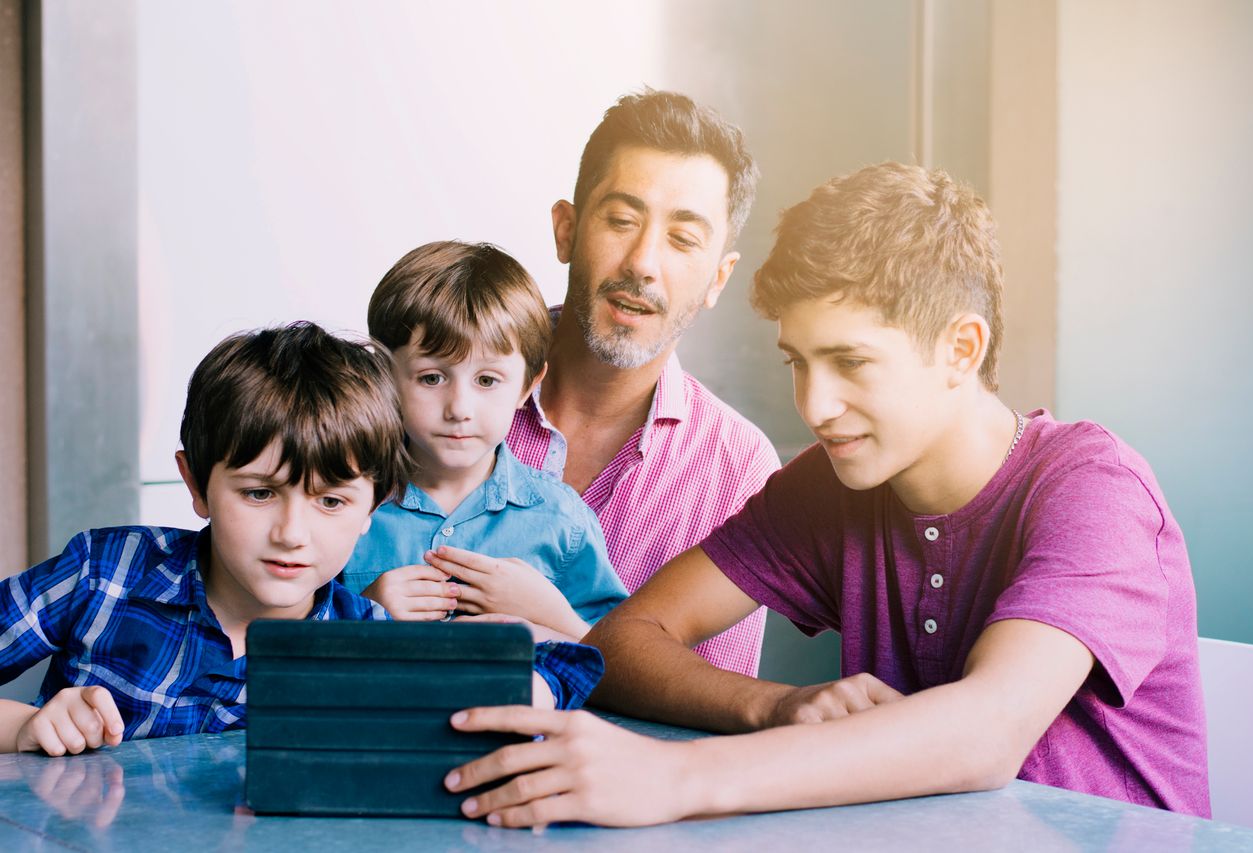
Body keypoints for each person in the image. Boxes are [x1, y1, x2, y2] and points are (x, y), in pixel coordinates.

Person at [442, 163, 1209, 825]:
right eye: (799, 363)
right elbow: (626, 636)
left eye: (851, 362)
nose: (815, 404)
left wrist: (675, 776)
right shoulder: (832, 484)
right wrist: (773, 705)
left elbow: (987, 732)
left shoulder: (1094, 485)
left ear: (961, 348)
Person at [0, 322, 602, 755]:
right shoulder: (106, 571)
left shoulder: (364, 640)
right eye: (259, 493)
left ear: (375, 506)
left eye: (332, 502)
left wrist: (523, 674)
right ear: (196, 485)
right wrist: (25, 728)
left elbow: (570, 667)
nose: (292, 534)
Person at [506, 89, 781, 674]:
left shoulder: (738, 470)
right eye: (622, 220)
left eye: (683, 238)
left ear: (718, 278)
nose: (643, 262)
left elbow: (704, 715)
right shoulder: (440, 391)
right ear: (566, 230)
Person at [342, 241, 627, 640]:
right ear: (386, 376)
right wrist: (362, 616)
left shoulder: (561, 520)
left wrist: (552, 617)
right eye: (431, 378)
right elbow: (284, 646)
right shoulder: (343, 504)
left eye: (487, 380)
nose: (459, 408)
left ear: (528, 387)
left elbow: (612, 664)